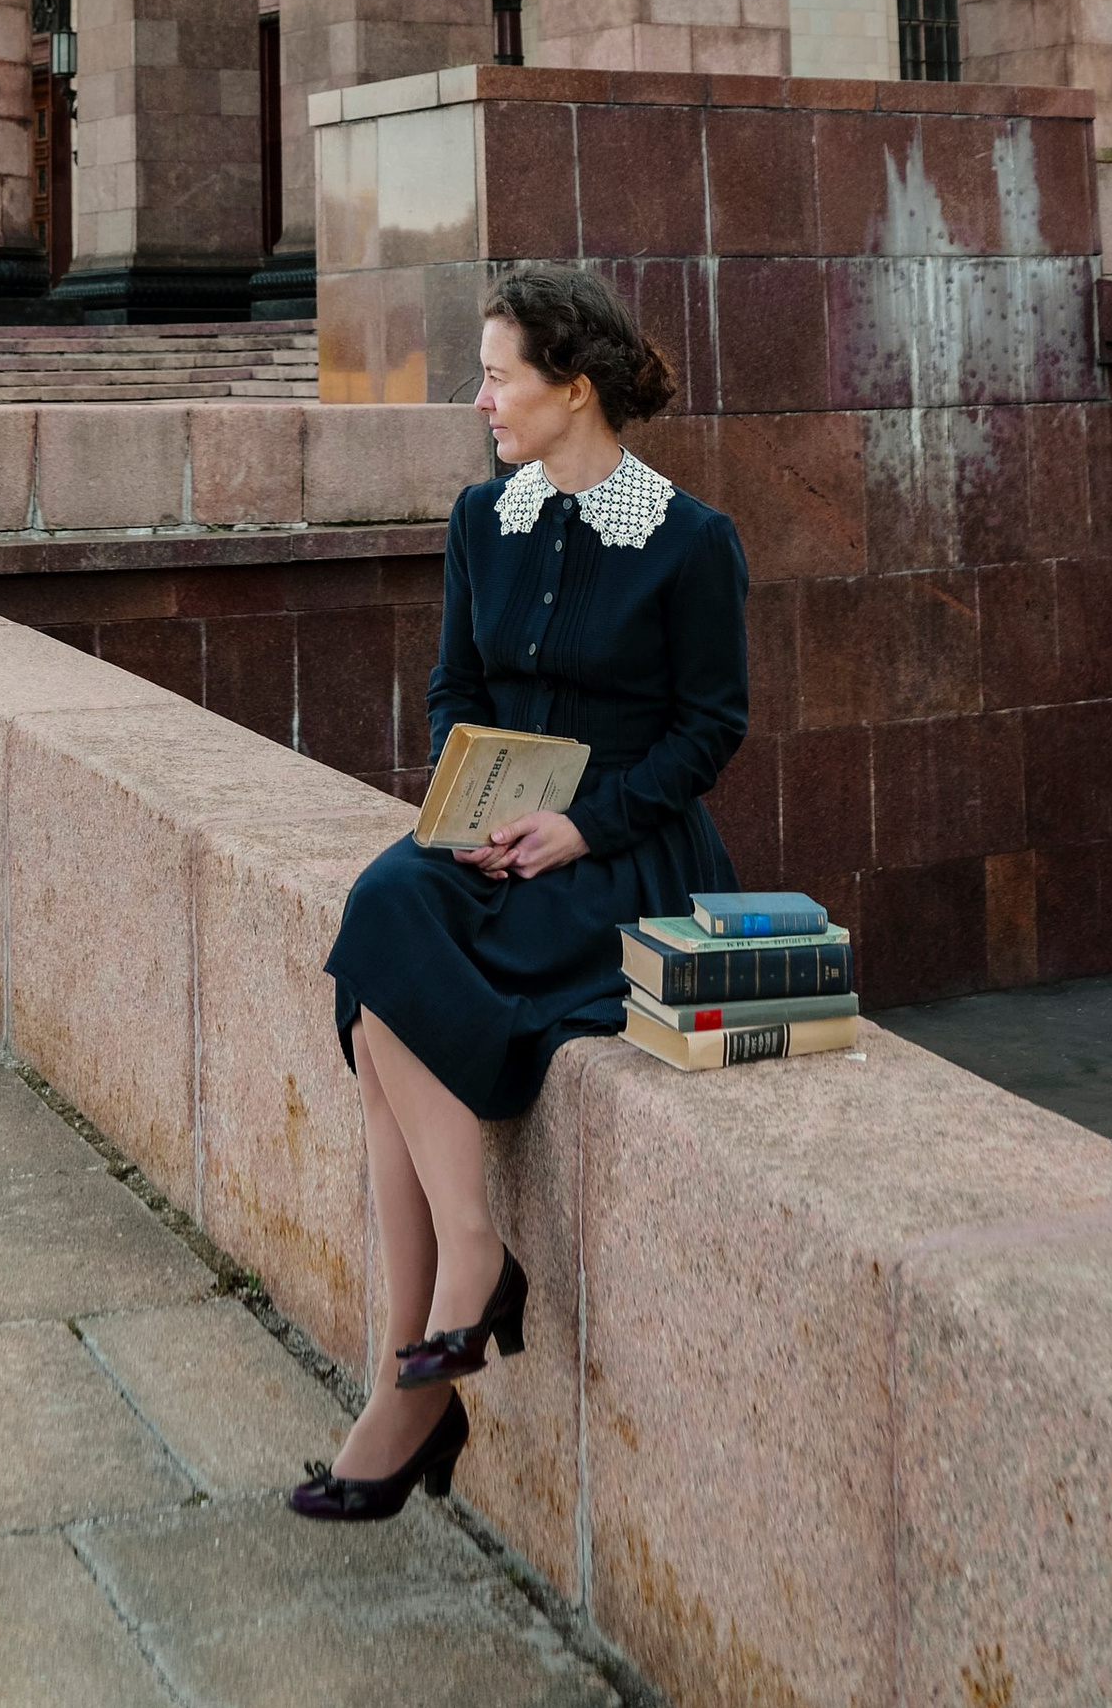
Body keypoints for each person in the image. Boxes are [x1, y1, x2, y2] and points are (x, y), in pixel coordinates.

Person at [289, 263, 750, 1522]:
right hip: (497, 836)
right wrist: (477, 808)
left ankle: (415, 1378)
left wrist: (577, 826)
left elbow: (709, 730)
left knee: (378, 978)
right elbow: (456, 695)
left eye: (498, 375)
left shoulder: (689, 538)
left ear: (574, 390)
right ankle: (450, 1305)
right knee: (384, 912)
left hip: (626, 860)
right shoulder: (478, 519)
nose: (478, 398)